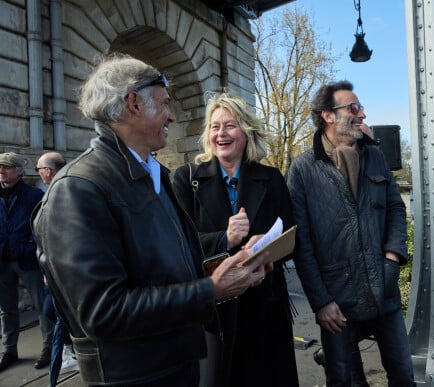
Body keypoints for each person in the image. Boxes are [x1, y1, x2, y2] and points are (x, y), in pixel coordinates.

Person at [32, 54, 268, 386]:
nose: (172, 114)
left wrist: (234, 259)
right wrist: (209, 291)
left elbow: (172, 260)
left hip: (174, 365)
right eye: (165, 103)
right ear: (134, 103)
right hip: (133, 377)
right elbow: (103, 311)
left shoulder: (153, 175)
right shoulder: (78, 189)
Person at [286, 80, 415, 386]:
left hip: (383, 290)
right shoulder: (302, 169)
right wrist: (320, 303)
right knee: (343, 380)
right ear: (328, 115)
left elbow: (396, 209)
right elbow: (301, 242)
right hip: (337, 301)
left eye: (361, 108)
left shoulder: (375, 156)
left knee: (403, 375)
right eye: (353, 108)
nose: (362, 115)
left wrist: (392, 257)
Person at [172, 92, 299, 387]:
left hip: (265, 309)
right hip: (212, 312)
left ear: (246, 131)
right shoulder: (185, 179)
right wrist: (224, 239)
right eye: (215, 127)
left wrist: (264, 246)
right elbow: (177, 243)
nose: (221, 134)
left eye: (230, 125)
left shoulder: (272, 178)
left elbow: (294, 238)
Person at [0, 152, 54, 372]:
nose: (1, 170)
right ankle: (9, 350)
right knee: (7, 309)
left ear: (19, 171)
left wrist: (31, 247)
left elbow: (41, 226)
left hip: (27, 259)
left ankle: (48, 348)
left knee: (42, 305)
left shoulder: (33, 195)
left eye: (7, 167)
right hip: (2, 260)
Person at [36, 151, 77, 386]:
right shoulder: (55, 189)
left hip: (63, 271)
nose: (39, 173)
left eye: (39, 169)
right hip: (53, 269)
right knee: (54, 312)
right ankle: (71, 351)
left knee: (55, 312)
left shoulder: (66, 189)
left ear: (48, 171)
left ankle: (72, 352)